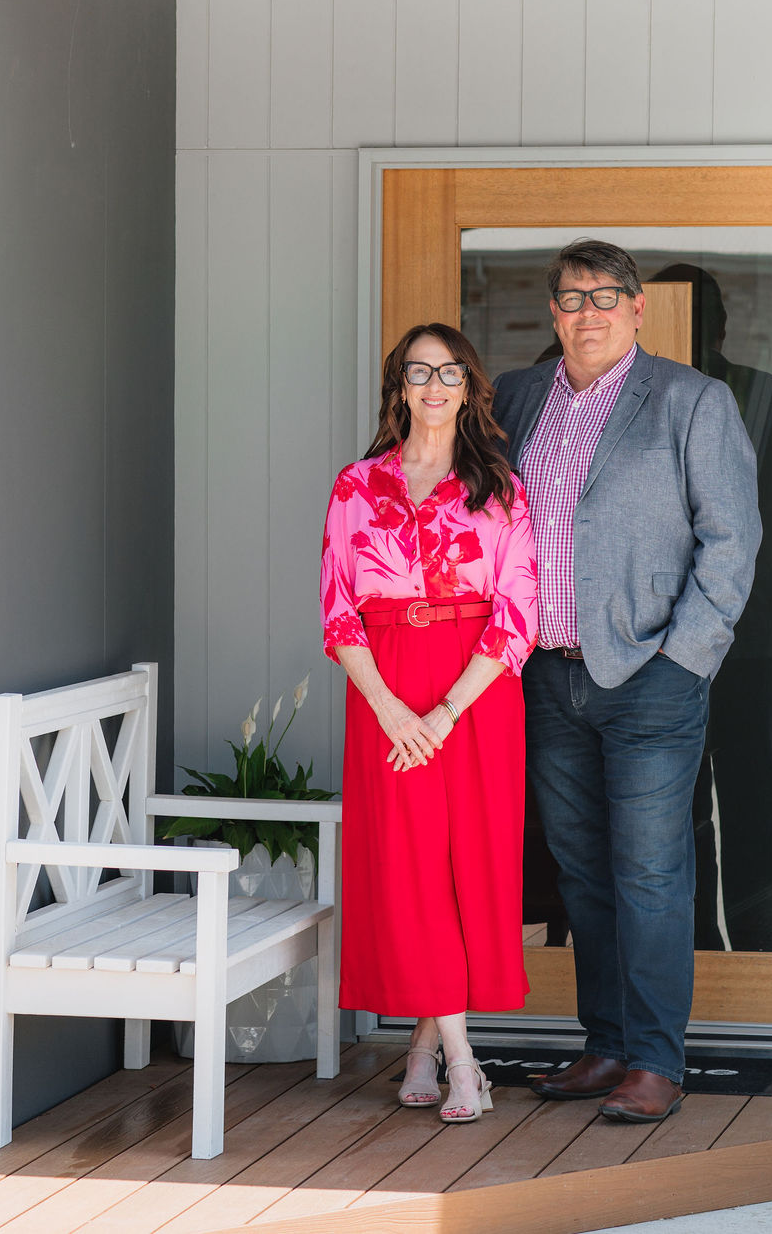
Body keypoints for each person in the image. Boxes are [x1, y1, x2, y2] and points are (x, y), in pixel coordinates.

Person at [492, 239, 760, 1123]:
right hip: (546, 675)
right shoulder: (517, 397)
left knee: (649, 872)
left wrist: (685, 659)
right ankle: (604, 1044)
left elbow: (732, 539)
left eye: (607, 297)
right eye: (574, 298)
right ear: (554, 312)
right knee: (582, 872)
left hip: (650, 674)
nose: (590, 313)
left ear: (638, 309)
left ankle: (654, 1059)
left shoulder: (692, 400)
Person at [320, 322, 537, 1125]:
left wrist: (444, 711)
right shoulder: (357, 485)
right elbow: (338, 610)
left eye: (450, 373)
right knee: (410, 869)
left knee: (462, 868)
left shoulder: (500, 487)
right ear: (400, 387)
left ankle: (422, 1047)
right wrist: (390, 709)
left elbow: (518, 616)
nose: (435, 386)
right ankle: (464, 1063)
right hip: (385, 690)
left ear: (469, 387)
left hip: (475, 695)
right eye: (420, 372)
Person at [648, 263, 772, 955]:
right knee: (748, 798)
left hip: (725, 635)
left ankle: (713, 948)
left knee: (694, 801)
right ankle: (750, 947)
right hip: (737, 631)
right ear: (722, 325)